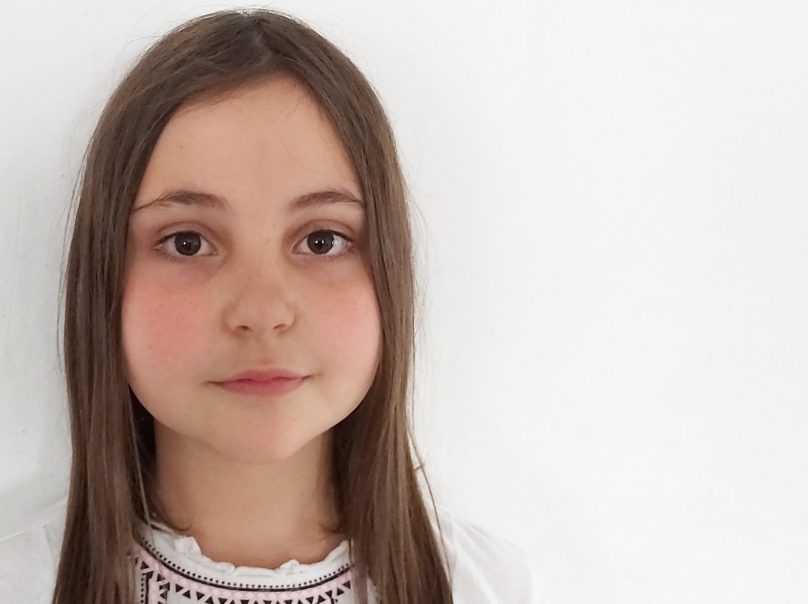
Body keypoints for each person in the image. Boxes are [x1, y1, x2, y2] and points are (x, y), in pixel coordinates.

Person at [0, 8, 546, 603]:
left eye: (322, 241)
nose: (262, 311)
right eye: (188, 242)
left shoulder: (489, 588)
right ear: (106, 278)